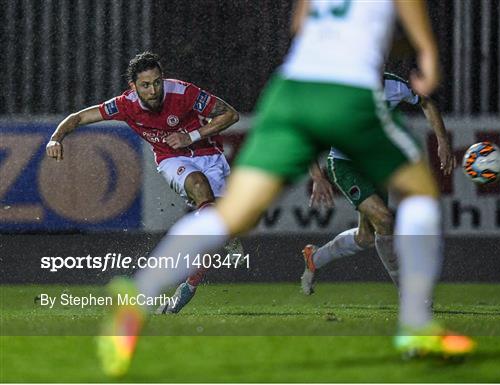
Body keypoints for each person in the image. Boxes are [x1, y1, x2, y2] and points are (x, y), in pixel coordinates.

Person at [98, 0, 474, 377]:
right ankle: (417, 326)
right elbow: (410, 36)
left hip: (294, 90)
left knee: (234, 214)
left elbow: (300, 23)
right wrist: (424, 53)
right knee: (418, 195)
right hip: (345, 95)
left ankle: (135, 300)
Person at [46, 52, 242, 313]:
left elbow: (230, 115)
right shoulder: (125, 105)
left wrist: (191, 135)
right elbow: (79, 118)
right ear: (134, 87)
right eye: (146, 85)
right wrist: (55, 138)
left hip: (209, 155)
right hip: (171, 159)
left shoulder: (183, 92)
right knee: (198, 186)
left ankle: (188, 286)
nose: (153, 90)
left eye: (157, 82)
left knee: (212, 227)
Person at [301, 71, 456, 295]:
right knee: (384, 219)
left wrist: (442, 140)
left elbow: (426, 101)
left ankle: (314, 258)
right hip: (346, 164)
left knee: (366, 237)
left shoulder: (394, 85)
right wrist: (317, 176)